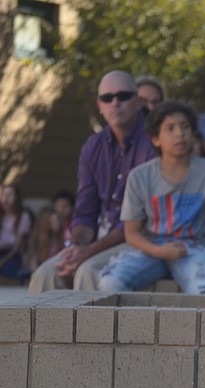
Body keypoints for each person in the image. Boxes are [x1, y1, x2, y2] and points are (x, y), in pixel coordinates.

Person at [28, 70, 156, 294]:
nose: (115, 103)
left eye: (123, 96)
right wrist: (77, 247)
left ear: (137, 101)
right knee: (45, 274)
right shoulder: (93, 146)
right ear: (100, 105)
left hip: (138, 239)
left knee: (88, 272)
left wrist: (89, 251)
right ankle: (45, 331)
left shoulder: (152, 143)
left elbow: (138, 219)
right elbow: (85, 211)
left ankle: (91, 331)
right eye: (108, 98)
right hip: (99, 240)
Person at [97, 102, 205, 294]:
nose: (179, 134)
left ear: (193, 135)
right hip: (150, 248)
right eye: (170, 128)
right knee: (109, 282)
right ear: (156, 139)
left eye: (185, 127)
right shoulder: (139, 176)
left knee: (204, 292)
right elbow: (131, 233)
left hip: (194, 248)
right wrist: (160, 251)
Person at [0, 184, 33, 283]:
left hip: (13, 253)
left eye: (9, 195)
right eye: (3, 195)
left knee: (8, 274)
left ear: (17, 198)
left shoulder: (24, 216)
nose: (6, 198)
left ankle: (22, 278)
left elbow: (17, 247)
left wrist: (3, 261)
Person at [26, 208, 64, 272]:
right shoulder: (37, 241)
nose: (57, 224)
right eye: (52, 222)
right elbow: (33, 265)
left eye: (57, 220)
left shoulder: (61, 237)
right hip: (41, 273)